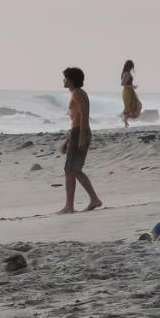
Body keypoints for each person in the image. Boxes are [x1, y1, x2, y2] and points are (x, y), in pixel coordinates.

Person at [58, 67, 102, 214]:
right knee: (72, 170)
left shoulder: (77, 93)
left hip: (79, 133)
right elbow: (76, 117)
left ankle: (73, 206)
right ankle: (77, 203)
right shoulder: (76, 93)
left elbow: (84, 115)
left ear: (72, 80)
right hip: (75, 133)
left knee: (72, 170)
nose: (63, 80)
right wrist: (68, 137)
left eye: (65, 78)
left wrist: (81, 136)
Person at [121, 59, 139, 127]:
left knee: (135, 105)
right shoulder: (126, 73)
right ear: (130, 66)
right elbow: (122, 84)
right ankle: (125, 122)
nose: (132, 67)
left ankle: (125, 120)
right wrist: (132, 86)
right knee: (128, 106)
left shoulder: (128, 73)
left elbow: (127, 83)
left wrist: (132, 86)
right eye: (132, 66)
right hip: (127, 92)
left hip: (130, 90)